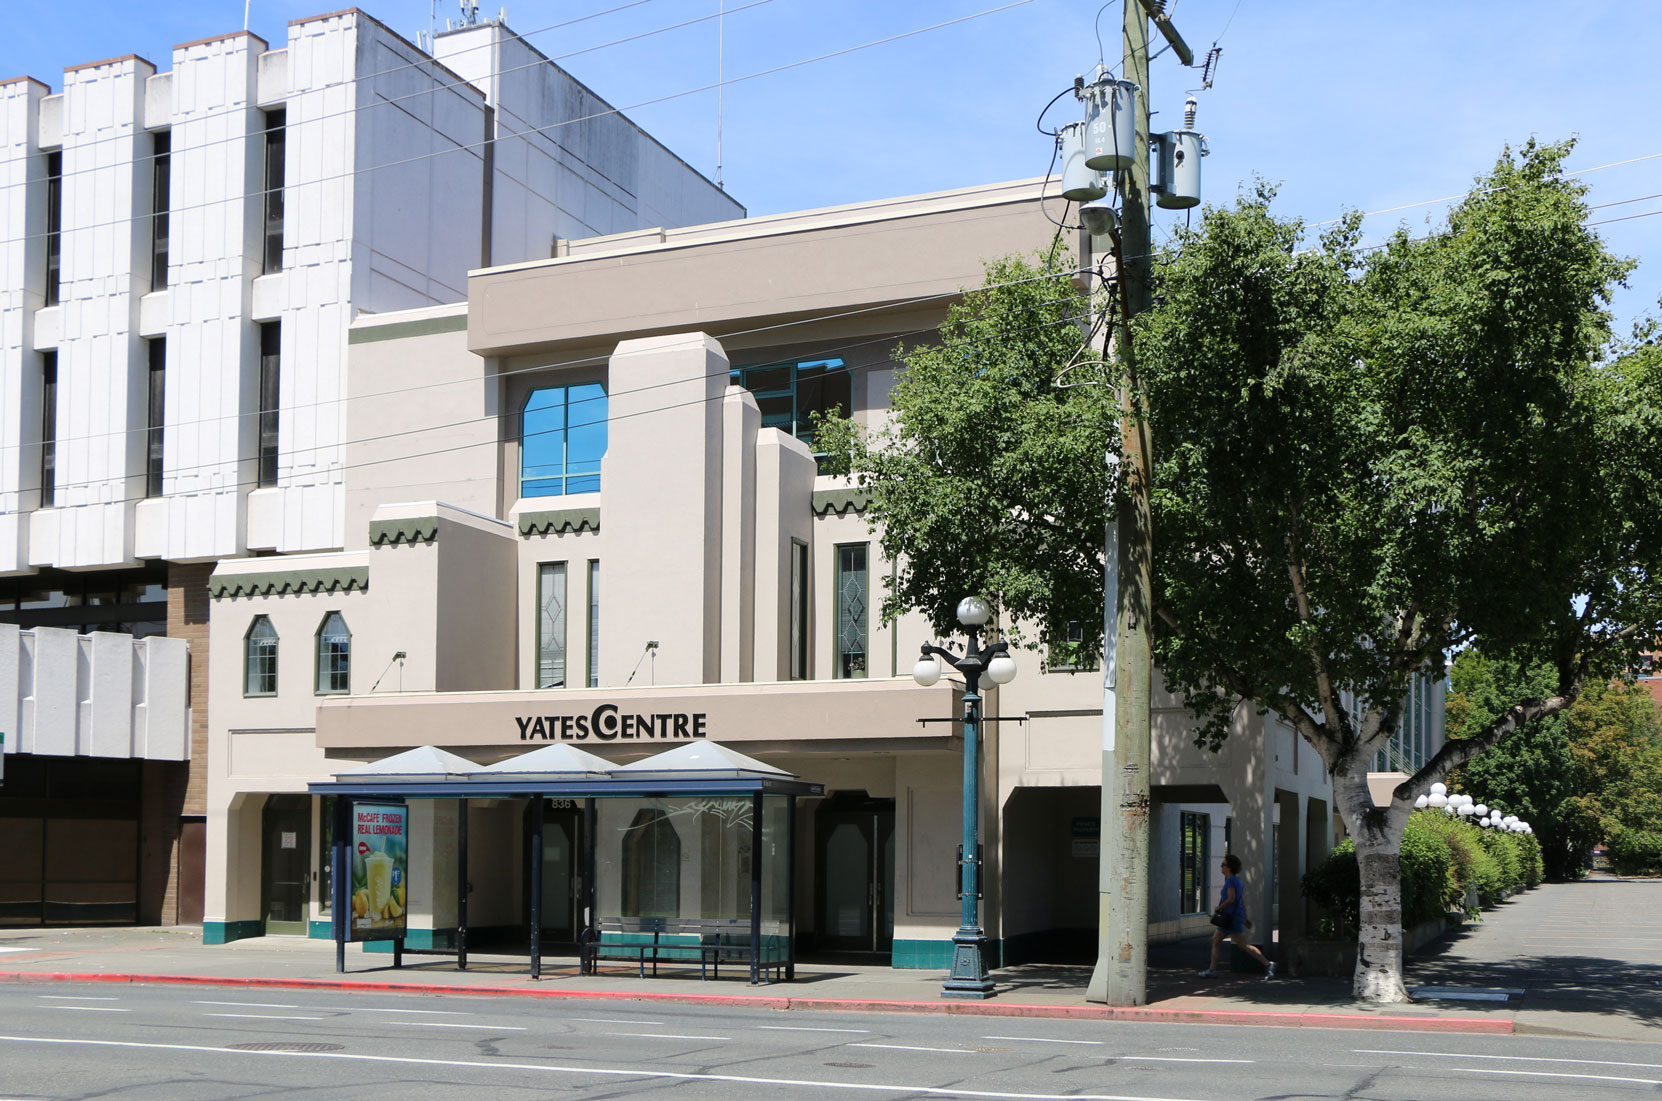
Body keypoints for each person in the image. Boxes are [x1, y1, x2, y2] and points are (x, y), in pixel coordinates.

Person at [1198, 853, 1275, 979]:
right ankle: (1212, 970)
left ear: (1229, 867)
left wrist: (1219, 907)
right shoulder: (1237, 881)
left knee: (1241, 945)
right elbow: (1240, 901)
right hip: (1234, 916)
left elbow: (1232, 899)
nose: (1221, 867)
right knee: (1219, 940)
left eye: (1223, 864)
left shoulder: (1230, 881)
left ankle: (1268, 964)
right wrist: (1244, 918)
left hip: (1230, 917)